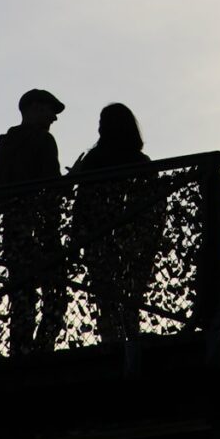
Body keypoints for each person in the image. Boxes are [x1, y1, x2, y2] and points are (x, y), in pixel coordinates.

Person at [69, 103, 164, 342]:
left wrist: (76, 237)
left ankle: (110, 339)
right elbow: (153, 205)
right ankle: (130, 335)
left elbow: (83, 202)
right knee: (131, 294)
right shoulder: (141, 161)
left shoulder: (94, 159)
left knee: (105, 296)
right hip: (133, 239)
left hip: (99, 238)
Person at [0, 89, 67, 356]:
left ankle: (21, 352)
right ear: (34, 108)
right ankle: (43, 350)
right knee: (56, 294)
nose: (54, 119)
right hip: (42, 228)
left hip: (14, 229)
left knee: (22, 295)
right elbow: (51, 188)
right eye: (50, 111)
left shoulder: (5, 143)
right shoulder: (44, 140)